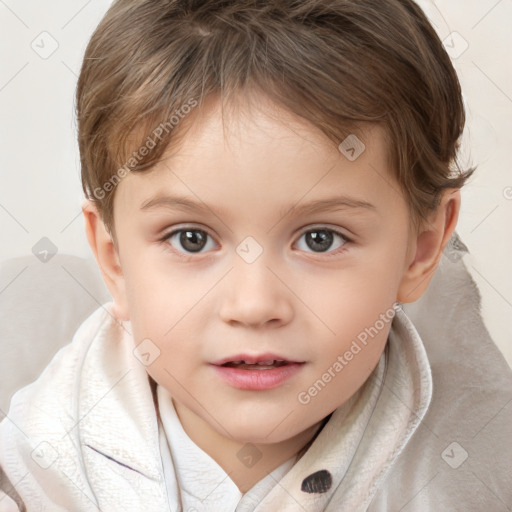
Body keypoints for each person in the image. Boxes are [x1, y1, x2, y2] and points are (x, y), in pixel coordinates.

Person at [1, 0, 511, 510]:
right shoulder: (30, 476)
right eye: (191, 239)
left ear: (420, 251)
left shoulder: (472, 472)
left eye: (320, 239)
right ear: (114, 259)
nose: (253, 304)